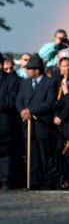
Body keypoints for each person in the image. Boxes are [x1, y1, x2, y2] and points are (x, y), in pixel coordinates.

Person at [15, 55, 57, 189]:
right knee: (31, 155)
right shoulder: (25, 83)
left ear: (37, 70)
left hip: (42, 125)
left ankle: (46, 182)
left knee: (44, 155)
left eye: (29, 69)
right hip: (28, 125)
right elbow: (19, 100)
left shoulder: (49, 82)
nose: (27, 71)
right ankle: (32, 181)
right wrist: (22, 111)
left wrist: (31, 111)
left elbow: (49, 103)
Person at [0, 53, 20, 189]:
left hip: (4, 123)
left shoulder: (11, 80)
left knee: (5, 152)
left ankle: (5, 180)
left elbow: (9, 102)